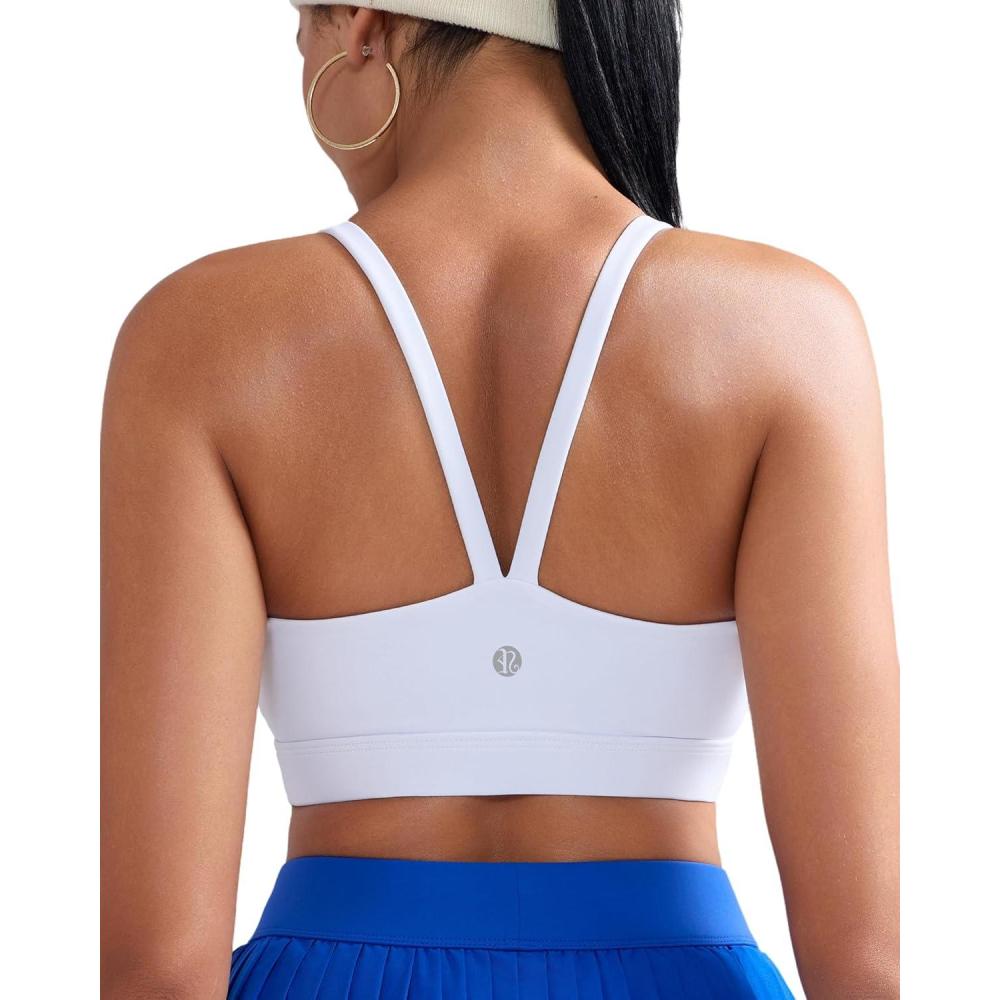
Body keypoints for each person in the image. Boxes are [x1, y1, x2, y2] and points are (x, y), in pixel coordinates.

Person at [100, 3, 900, 998]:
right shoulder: (789, 331)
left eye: (301, 26)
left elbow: (156, 969)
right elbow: (862, 964)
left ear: (362, 27)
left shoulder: (201, 338)